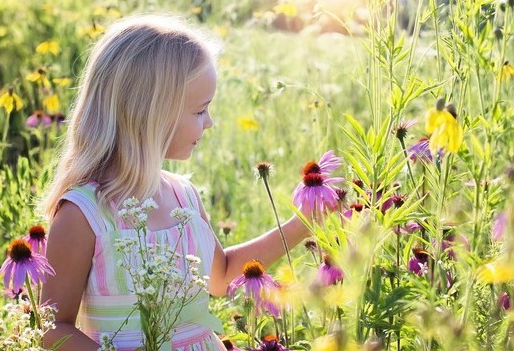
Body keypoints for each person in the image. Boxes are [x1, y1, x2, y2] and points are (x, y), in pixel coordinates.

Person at [40, 14, 312, 351]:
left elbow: (222, 276)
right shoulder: (83, 213)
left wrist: (305, 222)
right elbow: (53, 328)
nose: (210, 123)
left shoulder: (183, 196)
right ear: (151, 113)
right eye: (200, 111)